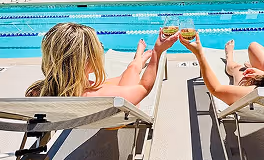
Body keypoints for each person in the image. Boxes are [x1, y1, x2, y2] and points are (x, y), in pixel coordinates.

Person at [26, 22, 178, 105]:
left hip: (87, 101)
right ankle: (137, 61)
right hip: (120, 115)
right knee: (131, 74)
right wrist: (157, 52)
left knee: (126, 74)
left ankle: (137, 61)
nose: (101, 50)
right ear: (85, 60)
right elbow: (143, 87)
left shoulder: (44, 90)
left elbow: (117, 80)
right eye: (99, 47)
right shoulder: (99, 95)